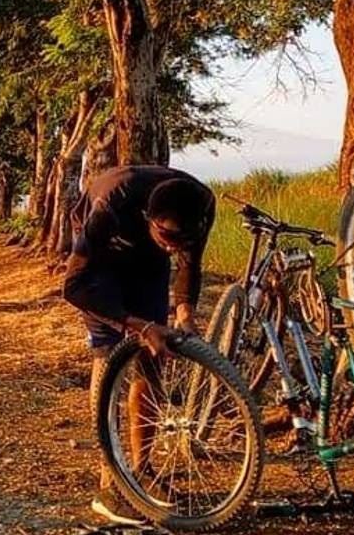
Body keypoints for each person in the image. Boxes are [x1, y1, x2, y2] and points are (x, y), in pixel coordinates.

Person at [60, 165, 216, 525]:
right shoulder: (110, 204)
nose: (174, 247)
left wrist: (185, 314)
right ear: (148, 216)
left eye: (182, 242)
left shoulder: (201, 203)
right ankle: (111, 479)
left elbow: (190, 266)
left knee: (151, 360)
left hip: (147, 263)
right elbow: (75, 287)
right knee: (110, 357)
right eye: (168, 238)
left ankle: (140, 471)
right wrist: (139, 326)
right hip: (102, 257)